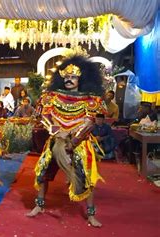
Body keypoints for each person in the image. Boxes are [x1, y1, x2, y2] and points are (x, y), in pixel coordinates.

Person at [26, 56, 107, 227]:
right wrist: (58, 132)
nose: (69, 80)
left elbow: (90, 122)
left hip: (80, 142)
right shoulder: (51, 97)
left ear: (80, 79)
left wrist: (74, 138)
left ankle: (91, 214)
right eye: (67, 77)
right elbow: (44, 116)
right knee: (43, 173)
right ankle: (39, 205)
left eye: (73, 77)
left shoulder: (90, 99)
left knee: (87, 177)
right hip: (56, 138)